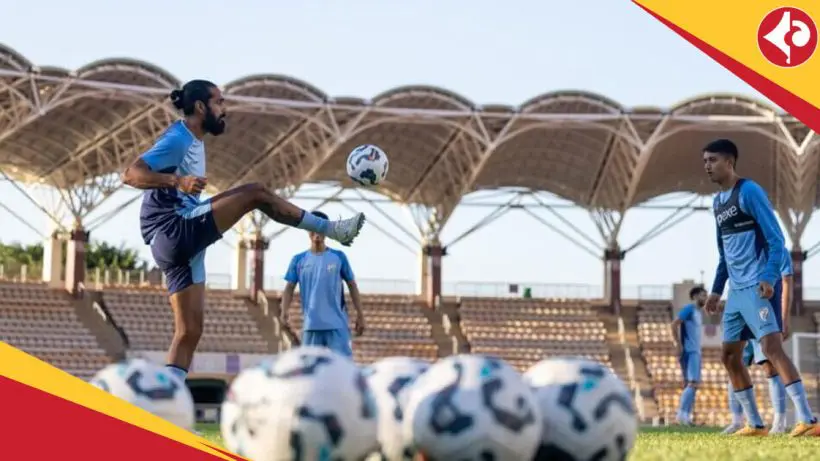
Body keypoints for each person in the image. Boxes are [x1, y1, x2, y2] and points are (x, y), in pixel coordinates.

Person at [122, 80, 366, 382]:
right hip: (173, 228)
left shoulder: (193, 141)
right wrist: (177, 182)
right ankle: (332, 229)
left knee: (189, 333)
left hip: (178, 244)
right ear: (201, 107)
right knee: (256, 193)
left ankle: (163, 410)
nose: (224, 109)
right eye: (219, 102)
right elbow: (131, 174)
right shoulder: (179, 138)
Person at [703, 138, 817, 437]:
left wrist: (768, 277)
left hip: (758, 286)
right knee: (729, 357)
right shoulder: (717, 203)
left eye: (712, 160)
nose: (707, 166)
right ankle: (754, 424)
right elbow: (724, 253)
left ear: (730, 161)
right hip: (736, 293)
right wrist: (716, 290)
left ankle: (809, 420)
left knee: (771, 349)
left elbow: (776, 239)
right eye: (705, 161)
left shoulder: (749, 191)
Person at [723, 251, 793, 434]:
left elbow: (787, 284)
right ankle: (737, 421)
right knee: (735, 365)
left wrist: (784, 320)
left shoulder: (779, 251)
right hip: (743, 314)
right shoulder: (743, 245)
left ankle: (779, 419)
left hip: (765, 316)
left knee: (770, 368)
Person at [280, 210, 365, 357]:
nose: (316, 231)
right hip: (311, 325)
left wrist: (360, 315)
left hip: (337, 325)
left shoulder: (339, 257)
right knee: (309, 371)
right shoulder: (298, 260)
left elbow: (352, 285)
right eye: (312, 227)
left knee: (343, 368)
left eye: (320, 227)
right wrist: (284, 311)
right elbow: (289, 287)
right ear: (307, 230)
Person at [671, 286, 707, 425]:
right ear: (696, 296)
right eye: (703, 295)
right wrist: (678, 344)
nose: (705, 298)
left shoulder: (698, 312)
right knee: (692, 383)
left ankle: (686, 416)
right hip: (690, 351)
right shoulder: (689, 309)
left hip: (695, 351)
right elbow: (674, 324)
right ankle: (682, 415)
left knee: (692, 384)